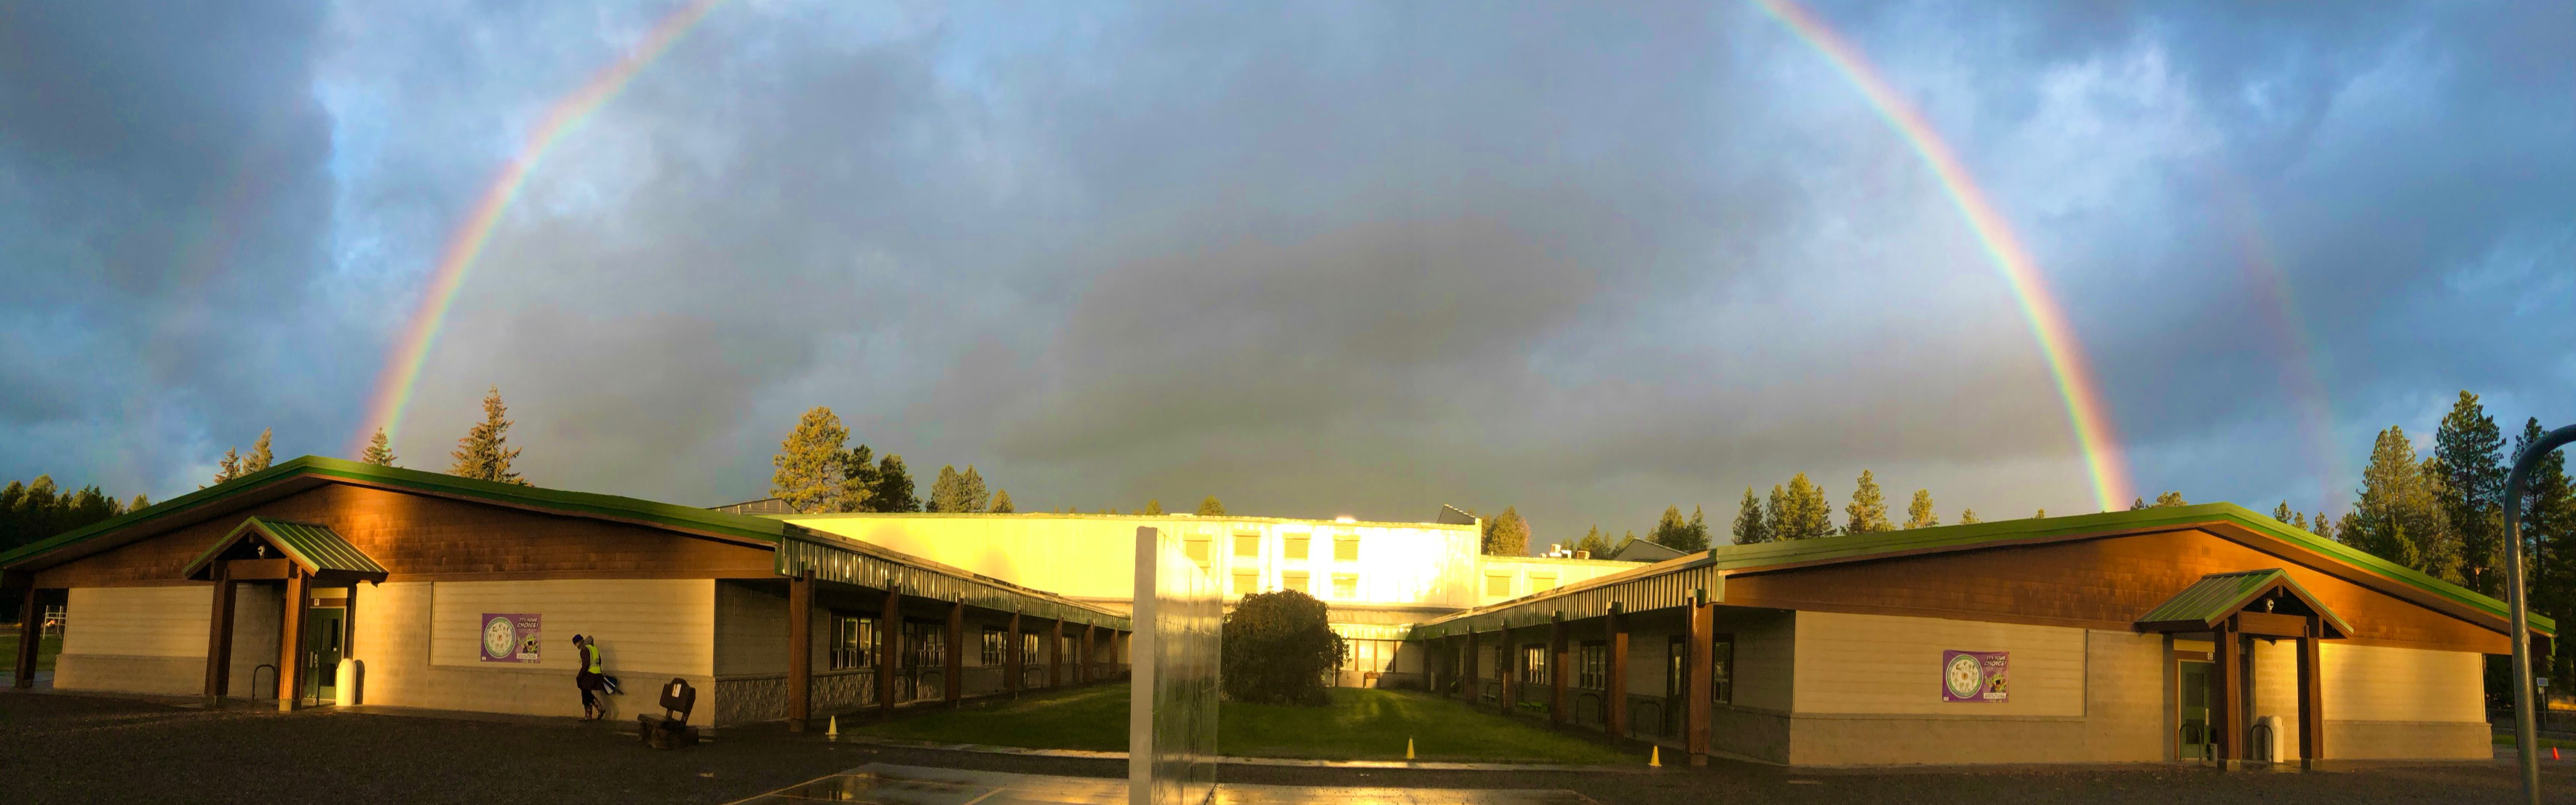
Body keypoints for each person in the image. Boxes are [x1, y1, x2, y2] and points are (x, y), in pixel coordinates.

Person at [574, 634, 605, 721]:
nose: (576, 646)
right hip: (597, 673)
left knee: (585, 692)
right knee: (586, 692)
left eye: (576, 644)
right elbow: (600, 661)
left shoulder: (584, 650)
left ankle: (591, 714)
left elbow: (586, 665)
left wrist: (579, 676)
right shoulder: (594, 648)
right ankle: (597, 710)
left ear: (579, 642)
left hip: (589, 674)